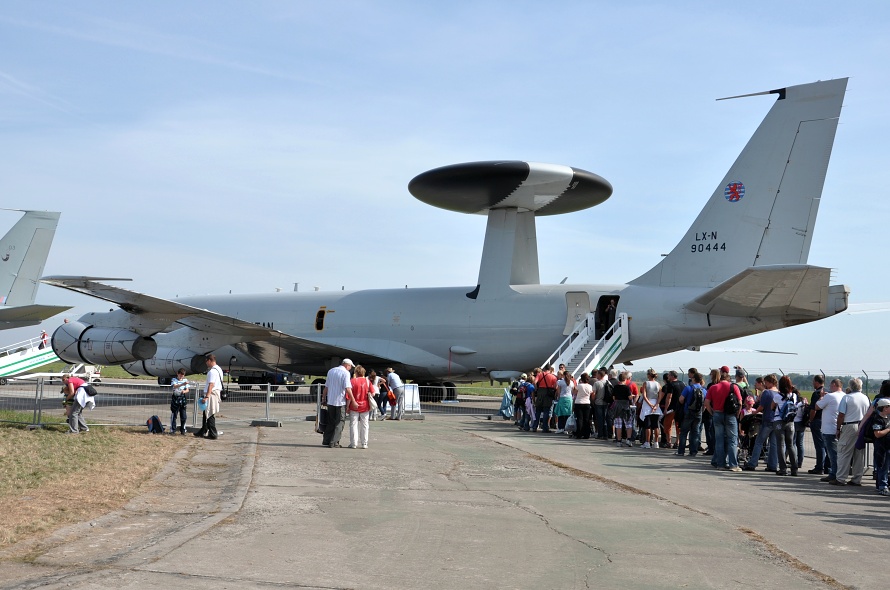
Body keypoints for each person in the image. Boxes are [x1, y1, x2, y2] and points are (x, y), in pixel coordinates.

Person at [830, 378, 870, 487]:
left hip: (850, 425)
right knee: (859, 454)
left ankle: (841, 478)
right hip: (862, 425)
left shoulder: (847, 398)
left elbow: (841, 415)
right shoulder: (865, 398)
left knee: (844, 452)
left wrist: (838, 428)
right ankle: (857, 478)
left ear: (851, 386)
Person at [705, 366, 742, 471]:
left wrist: (712, 412)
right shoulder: (733, 387)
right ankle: (733, 465)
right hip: (730, 415)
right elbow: (739, 402)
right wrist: (737, 414)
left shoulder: (713, 387)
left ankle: (720, 464)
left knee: (719, 440)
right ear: (728, 379)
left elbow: (707, 403)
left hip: (717, 414)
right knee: (732, 440)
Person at [742, 374, 780, 472]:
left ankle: (752, 463)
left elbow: (761, 407)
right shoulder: (779, 393)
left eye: (766, 382)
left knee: (759, 442)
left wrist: (754, 412)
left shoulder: (767, 392)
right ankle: (773, 465)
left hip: (767, 420)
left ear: (770, 382)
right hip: (776, 421)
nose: (765, 384)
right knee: (773, 444)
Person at [815, 378, 845, 483]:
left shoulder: (830, 396)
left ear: (833, 385)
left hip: (829, 429)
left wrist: (822, 396)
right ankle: (838, 472)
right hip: (840, 427)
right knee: (839, 453)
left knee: (832, 453)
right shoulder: (844, 396)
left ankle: (834, 473)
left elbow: (817, 406)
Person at [323, 359, 354, 448]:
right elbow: (348, 388)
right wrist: (353, 400)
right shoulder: (346, 373)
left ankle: (326, 440)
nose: (350, 368)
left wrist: (323, 398)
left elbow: (326, 387)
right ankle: (334, 442)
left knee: (330, 421)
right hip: (340, 401)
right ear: (347, 365)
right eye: (350, 366)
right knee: (340, 421)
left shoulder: (331, 371)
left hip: (330, 401)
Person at [773, 376, 798, 476]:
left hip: (779, 421)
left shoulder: (777, 396)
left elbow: (772, 406)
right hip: (790, 422)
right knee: (791, 445)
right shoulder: (794, 396)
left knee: (780, 445)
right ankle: (794, 469)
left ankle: (783, 469)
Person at [195, 354, 224, 439]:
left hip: (211, 394)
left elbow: (211, 385)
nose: (206, 364)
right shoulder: (219, 369)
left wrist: (206, 397)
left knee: (209, 413)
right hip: (216, 392)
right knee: (206, 413)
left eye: (206, 362)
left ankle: (213, 433)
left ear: (209, 360)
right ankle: (203, 430)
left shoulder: (212, 371)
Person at [677, 372, 705, 456]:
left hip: (689, 411)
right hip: (698, 413)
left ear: (693, 379)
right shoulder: (703, 390)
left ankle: (681, 451)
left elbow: (681, 399)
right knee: (695, 432)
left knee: (684, 432)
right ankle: (693, 451)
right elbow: (705, 403)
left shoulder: (688, 388)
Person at [807, 375, 829, 475]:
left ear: (816, 382)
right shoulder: (829, 392)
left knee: (819, 445)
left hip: (817, 420)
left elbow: (814, 409)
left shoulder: (817, 393)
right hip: (826, 420)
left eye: (813, 382)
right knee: (826, 445)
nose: (812, 384)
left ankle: (819, 466)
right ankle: (827, 466)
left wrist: (811, 419)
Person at [870, 398, 890, 496]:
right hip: (881, 446)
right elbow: (877, 434)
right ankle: (882, 486)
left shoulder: (888, 418)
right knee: (882, 466)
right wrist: (888, 429)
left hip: (887, 445)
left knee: (886, 466)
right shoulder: (877, 419)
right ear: (885, 408)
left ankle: (881, 484)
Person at [348, 365, 371, 449]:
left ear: (356, 372)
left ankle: (354, 443)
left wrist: (347, 407)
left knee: (353, 424)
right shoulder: (367, 381)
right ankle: (364, 443)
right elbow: (373, 393)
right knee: (365, 425)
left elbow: (348, 396)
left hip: (354, 405)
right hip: (365, 406)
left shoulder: (352, 381)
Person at [639, 369, 662, 449]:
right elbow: (660, 396)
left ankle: (647, 442)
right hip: (656, 403)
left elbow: (644, 395)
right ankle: (656, 442)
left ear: (648, 375)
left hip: (647, 404)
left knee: (647, 425)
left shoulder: (646, 383)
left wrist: (650, 404)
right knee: (656, 425)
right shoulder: (658, 384)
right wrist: (656, 405)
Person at [533, 365, 557, 433]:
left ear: (544, 369)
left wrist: (536, 389)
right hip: (548, 394)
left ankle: (535, 426)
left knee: (538, 411)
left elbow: (535, 382)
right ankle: (545, 427)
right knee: (546, 411)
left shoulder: (540, 374)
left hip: (540, 392)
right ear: (550, 369)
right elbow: (555, 386)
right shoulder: (553, 376)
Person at [612, 372, 634, 446]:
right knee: (628, 423)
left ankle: (619, 440)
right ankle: (628, 439)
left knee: (618, 424)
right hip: (625, 406)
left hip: (617, 405)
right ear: (625, 379)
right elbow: (629, 397)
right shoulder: (627, 387)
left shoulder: (615, 387)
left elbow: (614, 397)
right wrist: (632, 397)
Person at [572, 373, 593, 439]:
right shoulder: (590, 386)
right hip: (587, 402)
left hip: (579, 402)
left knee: (579, 419)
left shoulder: (579, 386)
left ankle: (579, 434)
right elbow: (591, 393)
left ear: (582, 379)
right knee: (586, 419)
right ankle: (586, 434)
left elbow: (574, 393)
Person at [170, 369, 189, 435]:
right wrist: (182, 384)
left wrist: (184, 391)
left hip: (182, 398)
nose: (181, 376)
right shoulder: (174, 380)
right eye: (180, 374)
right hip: (175, 398)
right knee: (174, 415)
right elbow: (174, 386)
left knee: (183, 416)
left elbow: (187, 390)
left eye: (182, 375)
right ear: (177, 374)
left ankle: (183, 430)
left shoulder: (185, 380)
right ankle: (173, 430)